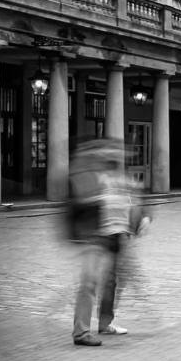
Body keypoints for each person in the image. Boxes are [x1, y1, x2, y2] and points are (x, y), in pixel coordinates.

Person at [67, 140, 148, 347]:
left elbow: (135, 203)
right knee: (89, 283)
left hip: (116, 236)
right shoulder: (87, 178)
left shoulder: (121, 180)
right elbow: (78, 205)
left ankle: (105, 322)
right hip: (94, 237)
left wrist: (143, 217)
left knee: (112, 282)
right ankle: (81, 332)